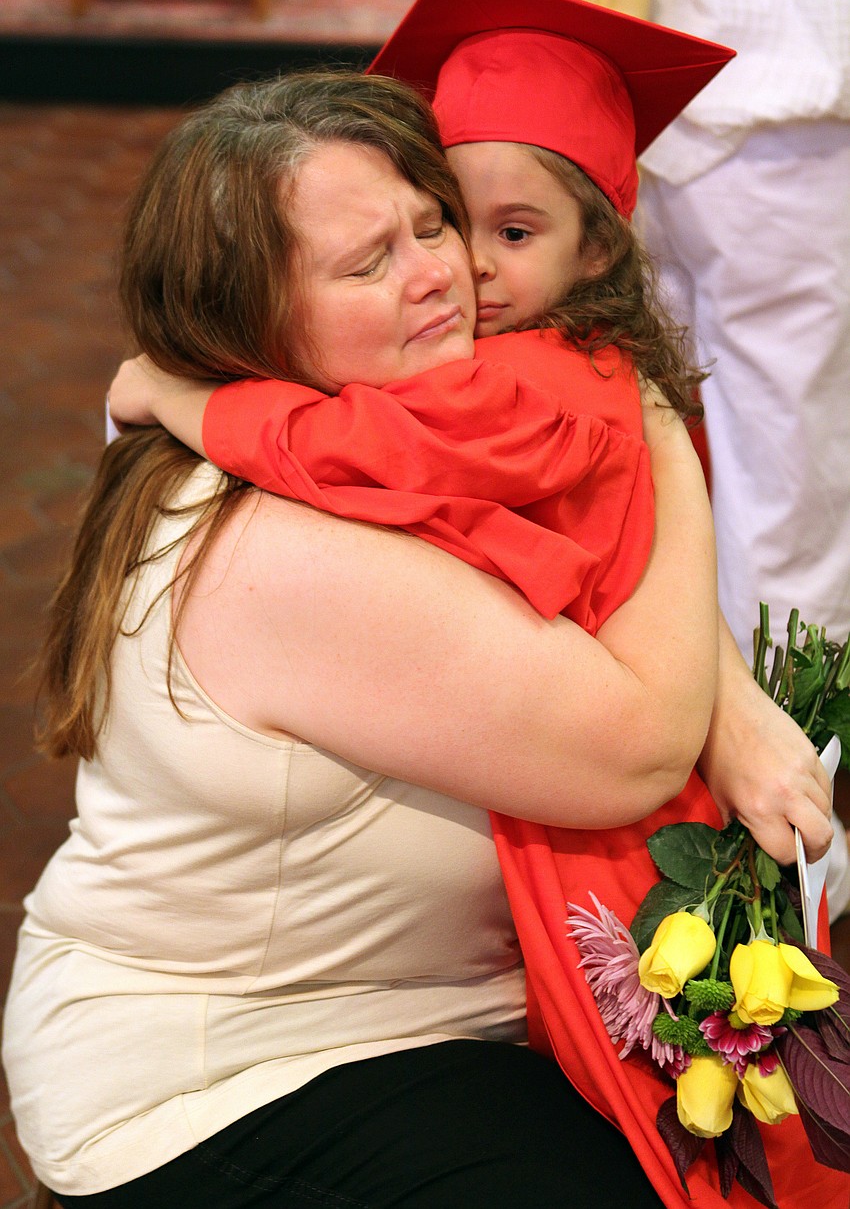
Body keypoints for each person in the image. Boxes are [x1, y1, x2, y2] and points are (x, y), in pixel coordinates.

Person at [104, 0, 846, 1209]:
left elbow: (356, 449)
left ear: (598, 242)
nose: (461, 275)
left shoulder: (523, 387)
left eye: (509, 234)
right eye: (439, 222)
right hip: (267, 1010)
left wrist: (172, 394)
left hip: (590, 788)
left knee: (650, 1066)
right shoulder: (593, 361)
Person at [3, 67, 724, 1209]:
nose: (444, 272)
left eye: (428, 222)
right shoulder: (278, 546)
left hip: (415, 1010)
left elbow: (607, 593)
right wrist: (645, 407)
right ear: (248, 318)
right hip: (225, 1068)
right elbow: (633, 742)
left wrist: (740, 707)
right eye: (366, 263)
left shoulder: (380, 433)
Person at [635, 0, 850, 918]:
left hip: (664, 78)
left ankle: (691, 797)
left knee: (674, 459)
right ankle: (786, 853)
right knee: (785, 498)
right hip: (786, 93)